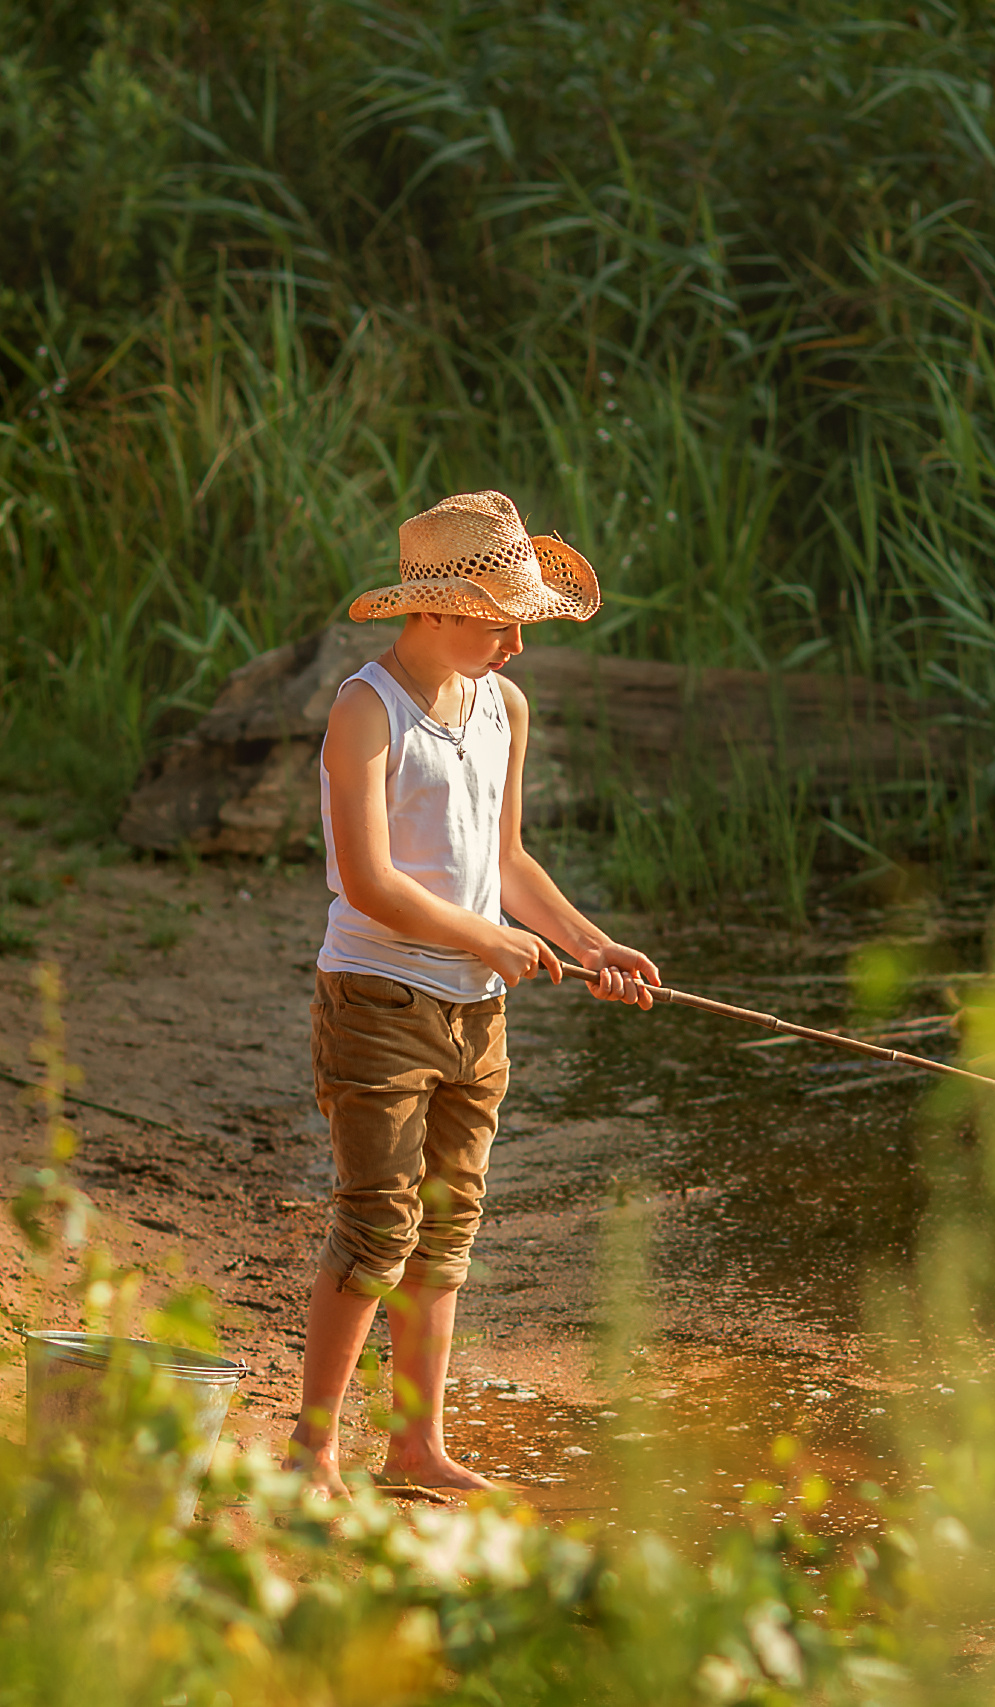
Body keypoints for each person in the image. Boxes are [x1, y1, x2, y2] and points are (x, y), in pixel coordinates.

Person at [290, 490, 661, 1499]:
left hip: (476, 1014)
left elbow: (507, 862)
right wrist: (488, 938)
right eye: (501, 623)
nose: (517, 645)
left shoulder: (503, 707)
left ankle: (414, 1447)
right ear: (436, 609)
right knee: (377, 1227)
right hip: (378, 1001)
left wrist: (591, 945)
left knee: (447, 1228)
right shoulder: (366, 709)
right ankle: (313, 1453)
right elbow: (369, 881)